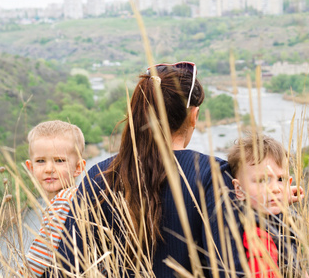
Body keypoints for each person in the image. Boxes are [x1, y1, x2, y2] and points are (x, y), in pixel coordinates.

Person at [52, 62, 244, 277]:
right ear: (193, 116)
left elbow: (66, 268)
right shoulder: (213, 175)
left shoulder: (99, 176)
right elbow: (230, 269)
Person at [228, 132, 307, 278]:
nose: (275, 188)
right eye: (262, 180)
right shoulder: (258, 237)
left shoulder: (275, 218)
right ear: (239, 189)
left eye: (280, 179)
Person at [22, 120, 86, 277]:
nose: (49, 169)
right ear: (30, 167)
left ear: (78, 167)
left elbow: (36, 264)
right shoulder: (74, 197)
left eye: (59, 160)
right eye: (41, 161)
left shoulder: (64, 200)